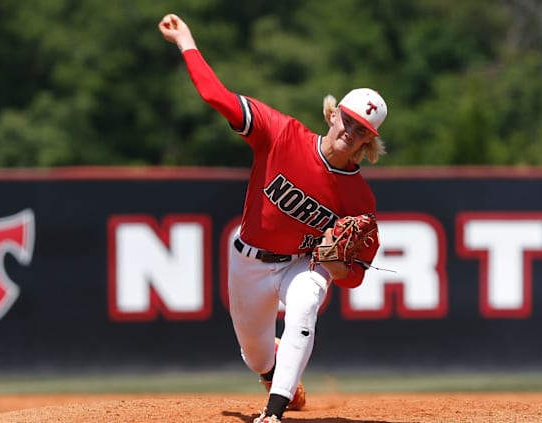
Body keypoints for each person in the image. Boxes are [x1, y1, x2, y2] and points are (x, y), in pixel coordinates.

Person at [159, 13, 388, 423]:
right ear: (332, 114)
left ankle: (274, 412)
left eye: (362, 131)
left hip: (301, 264)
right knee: (255, 354)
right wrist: (186, 41)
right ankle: (272, 370)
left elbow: (354, 277)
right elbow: (217, 97)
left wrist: (336, 265)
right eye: (348, 120)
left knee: (306, 302)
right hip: (248, 261)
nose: (350, 132)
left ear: (369, 142)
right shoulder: (281, 134)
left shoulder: (359, 198)